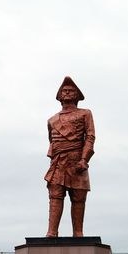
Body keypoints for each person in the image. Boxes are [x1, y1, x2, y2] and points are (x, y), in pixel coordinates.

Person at [44, 76, 95, 237]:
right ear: (59, 96)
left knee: (78, 197)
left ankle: (78, 233)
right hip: (58, 163)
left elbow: (90, 137)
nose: (66, 92)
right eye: (64, 90)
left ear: (76, 95)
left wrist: (84, 159)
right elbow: (52, 142)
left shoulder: (85, 114)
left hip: (76, 161)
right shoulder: (52, 120)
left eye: (70, 90)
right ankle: (52, 232)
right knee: (55, 196)